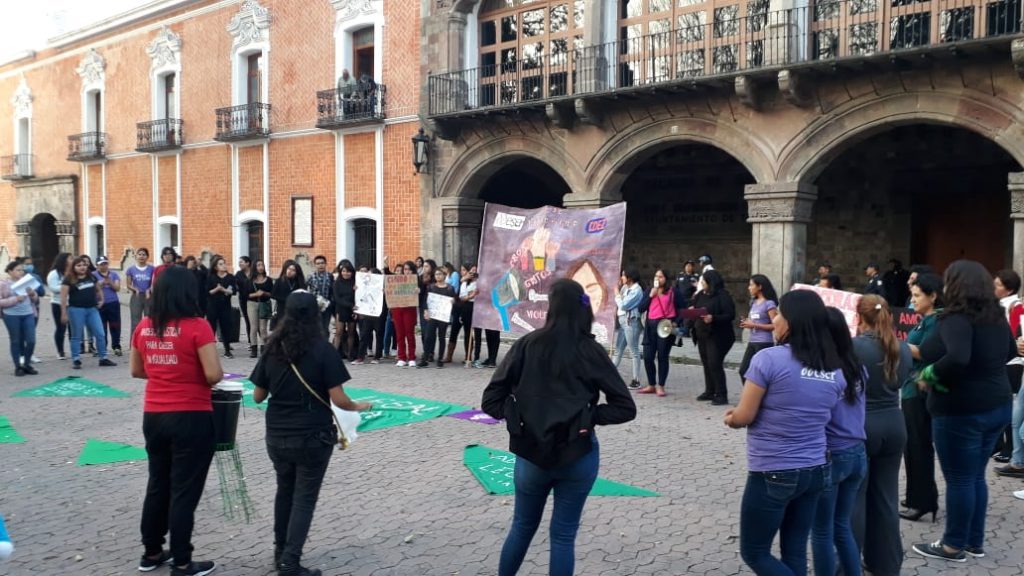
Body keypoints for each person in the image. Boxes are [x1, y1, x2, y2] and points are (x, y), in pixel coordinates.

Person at [481, 279, 637, 576]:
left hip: (532, 455)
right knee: (563, 537)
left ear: (550, 307)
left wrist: (518, 419)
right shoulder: (590, 350)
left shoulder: (527, 345)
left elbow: (491, 400)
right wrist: (588, 418)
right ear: (582, 310)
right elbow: (624, 407)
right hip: (577, 454)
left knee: (522, 527)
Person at [724, 289, 853, 575]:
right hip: (816, 469)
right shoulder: (835, 369)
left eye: (780, 313)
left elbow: (745, 415)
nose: (776, 319)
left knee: (755, 553)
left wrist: (731, 419)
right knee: (794, 549)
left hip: (774, 470)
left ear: (792, 321)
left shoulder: (767, 360)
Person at [251, 291, 372, 576]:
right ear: (316, 316)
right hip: (312, 436)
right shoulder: (323, 349)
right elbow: (339, 399)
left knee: (285, 491)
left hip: (277, 434)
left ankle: (280, 551)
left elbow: (258, 395)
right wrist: (359, 405)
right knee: (304, 498)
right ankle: (290, 563)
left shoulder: (272, 346)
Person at [913, 260, 1018, 562]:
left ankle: (952, 545)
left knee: (960, 479)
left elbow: (957, 358)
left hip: (961, 410)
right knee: (974, 477)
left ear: (955, 285)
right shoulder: (996, 314)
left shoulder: (956, 318)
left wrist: (928, 375)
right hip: (996, 405)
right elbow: (1010, 351)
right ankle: (973, 542)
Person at [131, 265, 222, 576]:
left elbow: (137, 370)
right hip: (191, 415)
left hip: (154, 414)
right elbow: (212, 375)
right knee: (184, 490)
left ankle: (152, 551)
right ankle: (182, 561)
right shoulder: (198, 326)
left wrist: (164, 372)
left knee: (158, 483)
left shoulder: (144, 326)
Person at [851, 295, 910, 576]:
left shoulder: (854, 347)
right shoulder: (904, 348)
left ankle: (847, 565)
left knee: (854, 499)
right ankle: (886, 563)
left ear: (859, 316)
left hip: (861, 426)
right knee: (886, 498)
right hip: (895, 425)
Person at [811, 307, 866, 576]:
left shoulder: (824, 373)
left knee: (821, 530)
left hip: (832, 455)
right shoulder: (857, 366)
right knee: (841, 525)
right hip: (857, 452)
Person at [900, 273, 943, 521]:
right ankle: (916, 496)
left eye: (917, 296)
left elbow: (927, 352)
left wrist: (894, 344)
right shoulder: (923, 319)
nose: (913, 300)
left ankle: (923, 500)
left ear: (933, 295)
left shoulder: (936, 321)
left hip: (919, 389)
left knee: (918, 446)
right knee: (912, 446)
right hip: (910, 388)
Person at [61, 256, 116, 370]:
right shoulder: (69, 279)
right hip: (76, 310)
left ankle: (103, 358)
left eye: (84, 265)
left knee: (100, 333)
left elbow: (98, 289)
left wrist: (102, 299)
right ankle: (76, 359)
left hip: (92, 309)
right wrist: (64, 313)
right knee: (76, 335)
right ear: (74, 267)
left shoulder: (91, 276)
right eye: (79, 265)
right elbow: (63, 297)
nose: (82, 267)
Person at [692, 270, 737, 405]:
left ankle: (721, 394)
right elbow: (696, 306)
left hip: (718, 335)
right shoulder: (701, 294)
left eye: (704, 282)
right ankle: (710, 391)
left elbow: (730, 315)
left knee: (714, 363)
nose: (701, 284)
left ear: (711, 282)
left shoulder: (723, 296)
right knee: (706, 362)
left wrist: (714, 318)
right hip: (702, 334)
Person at [993, 269, 1024, 464]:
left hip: (1012, 363)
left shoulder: (1015, 306)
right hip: (1002, 360)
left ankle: (1009, 448)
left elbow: (1013, 336)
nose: (993, 288)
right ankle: (1001, 446)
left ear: (1008, 289)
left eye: (997, 285)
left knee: (1007, 405)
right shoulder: (998, 305)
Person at [738, 275, 778, 388]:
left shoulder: (769, 304)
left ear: (759, 286)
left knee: (761, 374)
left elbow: (775, 325)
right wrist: (747, 322)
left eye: (751, 285)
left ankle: (761, 399)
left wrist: (754, 325)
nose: (749, 288)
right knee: (743, 370)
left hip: (764, 343)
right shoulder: (754, 303)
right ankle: (750, 397)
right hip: (752, 342)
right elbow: (755, 320)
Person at [1, 261, 40, 376]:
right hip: (11, 315)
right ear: (10, 271)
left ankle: (26, 364)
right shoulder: (3, 284)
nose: (21, 272)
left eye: (22, 270)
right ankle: (18, 366)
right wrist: (15, 299)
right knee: (16, 340)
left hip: (28, 313)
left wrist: (33, 294)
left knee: (31, 340)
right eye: (18, 270)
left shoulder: (26, 282)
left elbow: (35, 299)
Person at [418, 267, 456, 368]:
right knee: (428, 336)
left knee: (441, 337)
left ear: (444, 275)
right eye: (436, 274)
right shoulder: (431, 287)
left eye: (440, 274)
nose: (438, 276)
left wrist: (453, 301)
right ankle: (425, 358)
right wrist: (426, 311)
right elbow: (426, 300)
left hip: (443, 316)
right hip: (433, 315)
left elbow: (454, 300)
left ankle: (440, 359)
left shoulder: (450, 288)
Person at [613, 268, 644, 390]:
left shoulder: (637, 290)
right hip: (623, 322)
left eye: (623, 276)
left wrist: (616, 293)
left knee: (634, 351)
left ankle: (636, 380)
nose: (622, 278)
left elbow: (624, 305)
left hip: (631, 322)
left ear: (630, 278)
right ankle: (609, 373)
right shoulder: (625, 288)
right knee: (618, 349)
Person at [205, 255, 238, 359]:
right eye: (220, 264)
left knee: (226, 328)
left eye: (224, 263)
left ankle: (227, 350)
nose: (223, 266)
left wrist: (223, 290)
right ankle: (210, 350)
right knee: (211, 328)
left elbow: (233, 291)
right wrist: (217, 289)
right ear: (215, 267)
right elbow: (207, 292)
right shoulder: (211, 277)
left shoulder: (230, 277)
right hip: (212, 306)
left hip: (225, 306)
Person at [447, 263, 477, 365]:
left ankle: (468, 356)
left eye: (465, 270)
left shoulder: (476, 283)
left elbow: (473, 295)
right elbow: (459, 295)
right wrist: (462, 282)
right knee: (454, 330)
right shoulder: (462, 283)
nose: (462, 272)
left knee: (468, 333)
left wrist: (469, 296)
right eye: (462, 270)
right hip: (458, 309)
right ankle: (449, 356)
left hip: (469, 309)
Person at [391, 261, 419, 367]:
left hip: (410, 309)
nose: (407, 271)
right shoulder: (397, 279)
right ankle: (401, 357)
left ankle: (411, 357)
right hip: (397, 308)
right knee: (399, 334)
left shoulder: (416, 280)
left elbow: (422, 292)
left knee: (409, 333)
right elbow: (389, 283)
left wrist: (418, 290)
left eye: (409, 269)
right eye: (405, 269)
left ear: (413, 270)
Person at [94, 256, 123, 356]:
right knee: (101, 327)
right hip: (100, 304)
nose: (104, 266)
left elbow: (117, 288)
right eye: (101, 264)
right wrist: (101, 283)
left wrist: (110, 282)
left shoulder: (114, 275)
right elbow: (92, 289)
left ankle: (116, 346)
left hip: (113, 303)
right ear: (97, 265)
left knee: (115, 325)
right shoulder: (93, 275)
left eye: (105, 263)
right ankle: (102, 347)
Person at [126, 248, 155, 346]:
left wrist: (149, 289)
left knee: (149, 321)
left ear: (147, 257)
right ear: (136, 256)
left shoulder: (152, 269)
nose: (141, 256)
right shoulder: (131, 269)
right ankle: (134, 344)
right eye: (139, 254)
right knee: (135, 321)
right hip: (136, 296)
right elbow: (128, 284)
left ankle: (149, 342)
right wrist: (135, 289)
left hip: (148, 297)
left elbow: (153, 282)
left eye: (144, 254)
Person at [46, 252, 71, 360]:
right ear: (64, 260)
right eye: (70, 258)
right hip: (58, 303)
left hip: (73, 303)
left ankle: (75, 350)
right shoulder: (54, 274)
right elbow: (53, 288)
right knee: (61, 327)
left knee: (73, 328)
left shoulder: (72, 272)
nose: (72, 260)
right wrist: (66, 287)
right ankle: (60, 351)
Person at [247, 260, 274, 358]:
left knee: (263, 328)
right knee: (253, 327)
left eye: (262, 265)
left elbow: (272, 293)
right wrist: (256, 294)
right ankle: (253, 349)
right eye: (258, 265)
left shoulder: (269, 280)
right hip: (252, 304)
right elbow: (246, 295)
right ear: (254, 267)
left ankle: (264, 348)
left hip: (264, 304)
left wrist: (264, 293)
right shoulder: (250, 280)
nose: (260, 267)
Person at [332, 262, 357, 361]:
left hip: (352, 311)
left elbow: (359, 296)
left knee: (351, 333)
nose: (346, 273)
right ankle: (333, 355)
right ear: (340, 272)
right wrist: (350, 305)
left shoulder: (355, 283)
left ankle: (350, 354)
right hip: (341, 309)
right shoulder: (337, 283)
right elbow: (337, 299)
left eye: (348, 271)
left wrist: (357, 290)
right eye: (344, 271)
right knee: (339, 333)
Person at [272, 260, 306, 330]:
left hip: (295, 311)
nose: (290, 271)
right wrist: (285, 299)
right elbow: (273, 294)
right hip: (282, 310)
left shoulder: (299, 283)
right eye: (289, 269)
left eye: (293, 270)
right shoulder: (280, 281)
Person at [306, 256, 335, 337]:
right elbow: (304, 288)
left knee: (325, 328)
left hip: (327, 306)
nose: (320, 265)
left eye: (322, 263)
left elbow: (333, 290)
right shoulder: (310, 276)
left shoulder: (330, 276)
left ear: (325, 264)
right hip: (315, 306)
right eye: (318, 263)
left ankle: (324, 346)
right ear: (315, 265)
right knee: (316, 327)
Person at [418, 259, 437, 360]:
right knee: (424, 330)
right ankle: (426, 350)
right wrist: (422, 284)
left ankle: (431, 352)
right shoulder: (420, 278)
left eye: (427, 266)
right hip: (423, 305)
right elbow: (418, 292)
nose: (425, 269)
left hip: (433, 306)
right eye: (424, 266)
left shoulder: (435, 278)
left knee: (431, 330)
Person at [235, 256, 253, 351]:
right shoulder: (238, 274)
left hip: (254, 299)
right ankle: (251, 342)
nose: (239, 264)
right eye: (239, 262)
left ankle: (262, 342)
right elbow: (234, 284)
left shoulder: (254, 273)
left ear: (247, 263)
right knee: (248, 320)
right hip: (243, 300)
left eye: (241, 262)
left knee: (257, 322)